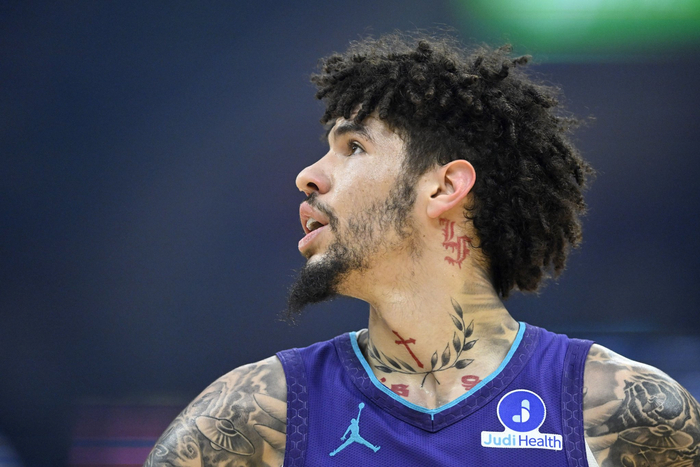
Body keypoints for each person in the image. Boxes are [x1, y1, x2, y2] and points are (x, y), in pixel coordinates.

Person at [144, 33, 700, 467]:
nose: (307, 176)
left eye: (353, 146)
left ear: (444, 187)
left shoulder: (628, 412)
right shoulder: (255, 414)